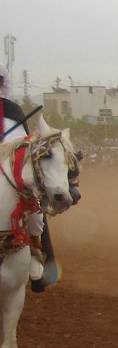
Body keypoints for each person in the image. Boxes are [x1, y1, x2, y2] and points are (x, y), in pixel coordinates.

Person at [1, 63, 53, 291]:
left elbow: (22, 147)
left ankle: (35, 251)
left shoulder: (12, 111)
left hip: (6, 169)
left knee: (33, 203)